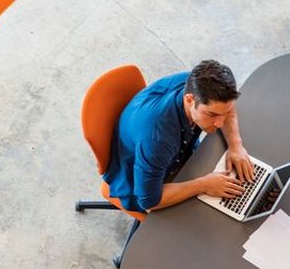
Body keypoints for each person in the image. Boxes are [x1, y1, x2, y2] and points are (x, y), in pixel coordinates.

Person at [103, 60, 255, 213]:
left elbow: (225, 106)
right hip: (141, 180)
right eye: (212, 115)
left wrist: (236, 145)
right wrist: (204, 185)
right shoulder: (158, 140)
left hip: (173, 152)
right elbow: (148, 200)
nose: (220, 123)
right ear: (189, 100)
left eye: (225, 113)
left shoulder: (199, 85)